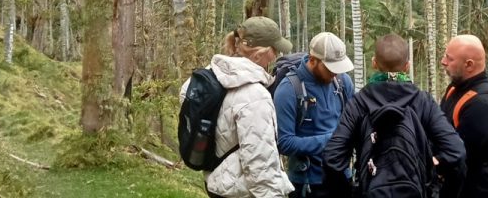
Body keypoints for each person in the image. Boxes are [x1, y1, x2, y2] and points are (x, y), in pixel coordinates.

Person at [323, 34, 466, 198]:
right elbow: (456, 152)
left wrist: (349, 191)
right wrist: (433, 176)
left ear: (374, 63)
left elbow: (332, 159)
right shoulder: (422, 101)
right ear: (407, 66)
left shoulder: (359, 103)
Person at [182, 16, 295, 198]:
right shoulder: (255, 96)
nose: (276, 55)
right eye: (274, 50)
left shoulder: (210, 76)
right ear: (259, 54)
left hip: (216, 182)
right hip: (242, 191)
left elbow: (185, 95)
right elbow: (261, 165)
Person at [274, 32, 355, 198]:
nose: (335, 74)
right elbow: (284, 143)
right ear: (312, 60)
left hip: (342, 176)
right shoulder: (288, 89)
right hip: (307, 183)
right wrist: (332, 140)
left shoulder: (343, 82)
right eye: (330, 68)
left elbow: (354, 122)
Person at [440, 34, 488, 198]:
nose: (443, 61)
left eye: (449, 58)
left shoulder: (483, 105)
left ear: (469, 65)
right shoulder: (454, 89)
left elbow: (459, 156)